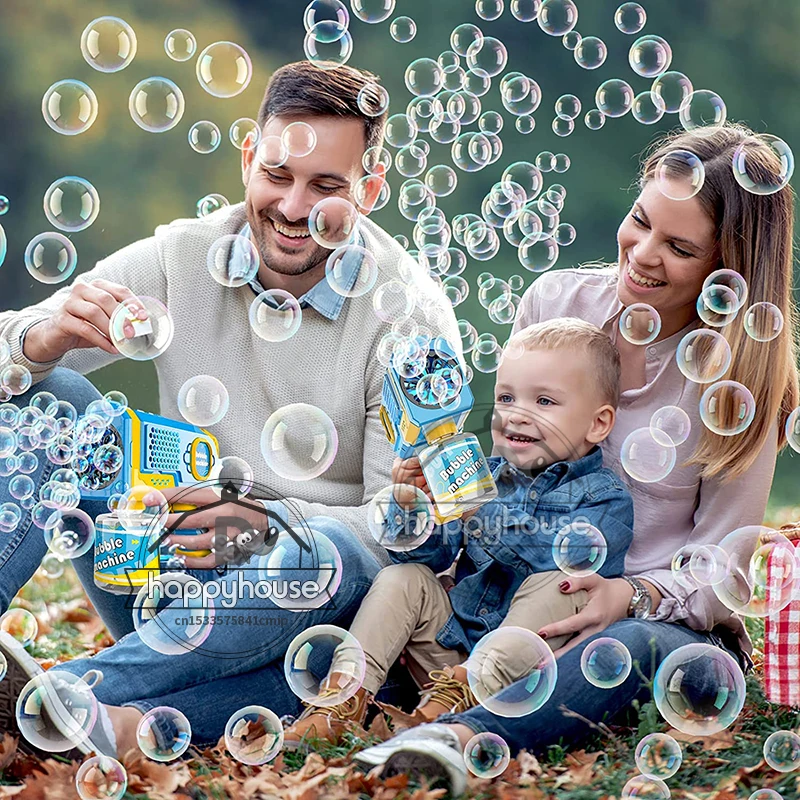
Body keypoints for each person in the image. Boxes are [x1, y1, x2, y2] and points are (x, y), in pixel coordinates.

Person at [0, 62, 460, 759]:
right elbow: (22, 357)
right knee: (58, 396)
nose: (295, 206)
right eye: (278, 174)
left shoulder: (412, 319)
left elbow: (409, 533)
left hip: (296, 607)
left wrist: (270, 516)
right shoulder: (183, 256)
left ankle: (64, 695)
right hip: (159, 573)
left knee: (335, 556)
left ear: (369, 188)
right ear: (250, 156)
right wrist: (40, 340)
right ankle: (91, 707)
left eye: (327, 186)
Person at [349, 123, 800, 795]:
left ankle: (457, 739)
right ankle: (335, 706)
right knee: (375, 587)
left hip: (657, 625)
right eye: (640, 221)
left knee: (627, 652)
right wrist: (442, 487)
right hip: (511, 607)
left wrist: (630, 594)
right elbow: (512, 466)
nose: (643, 254)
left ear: (727, 270)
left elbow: (719, 572)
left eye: (678, 247)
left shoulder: (748, 382)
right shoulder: (556, 304)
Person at [281, 317, 635, 751]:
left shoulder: (605, 498)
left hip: (528, 671)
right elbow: (427, 558)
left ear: (597, 424)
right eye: (506, 397)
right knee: (403, 580)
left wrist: (481, 512)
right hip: (450, 655)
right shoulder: (481, 475)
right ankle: (340, 702)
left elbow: (560, 563)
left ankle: (445, 711)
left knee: (556, 586)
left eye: (544, 401)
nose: (516, 415)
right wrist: (412, 505)